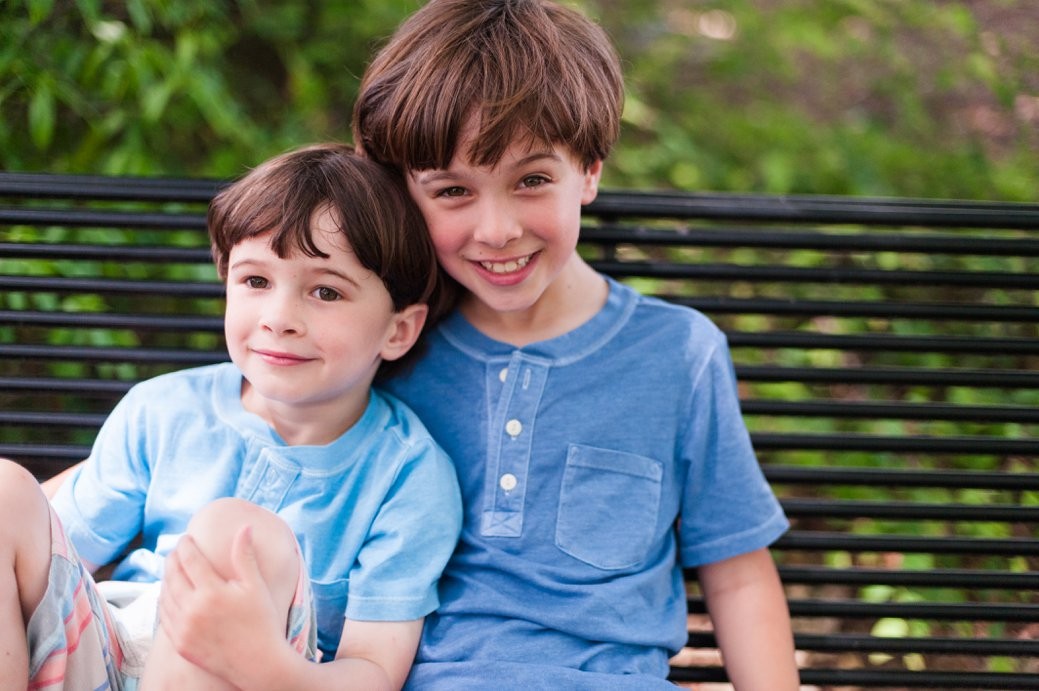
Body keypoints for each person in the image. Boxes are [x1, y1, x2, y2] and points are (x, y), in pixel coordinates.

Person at [351, 1, 800, 689]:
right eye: (453, 190)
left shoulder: (676, 354)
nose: (497, 229)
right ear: (405, 193)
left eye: (531, 180)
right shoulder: (389, 348)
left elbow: (737, 576)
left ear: (588, 170)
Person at [1, 143, 462, 690]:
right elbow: (54, 557)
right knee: (6, 491)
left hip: (272, 674)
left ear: (398, 330)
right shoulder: (163, 410)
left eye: (325, 291)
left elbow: (374, 671)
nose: (279, 318)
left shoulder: (408, 474)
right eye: (256, 282)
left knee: (235, 534)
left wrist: (264, 663)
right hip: (109, 646)